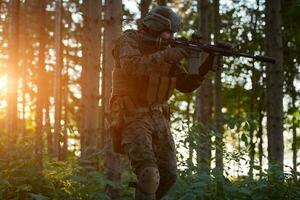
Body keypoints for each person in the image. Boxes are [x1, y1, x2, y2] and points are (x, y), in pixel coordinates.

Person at [110, 6, 217, 200]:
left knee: (168, 175)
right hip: (132, 114)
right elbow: (131, 66)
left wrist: (204, 67)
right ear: (156, 26)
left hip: (159, 117)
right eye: (169, 32)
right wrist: (171, 54)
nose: (171, 37)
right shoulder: (130, 39)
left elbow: (185, 84)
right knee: (149, 174)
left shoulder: (167, 51)